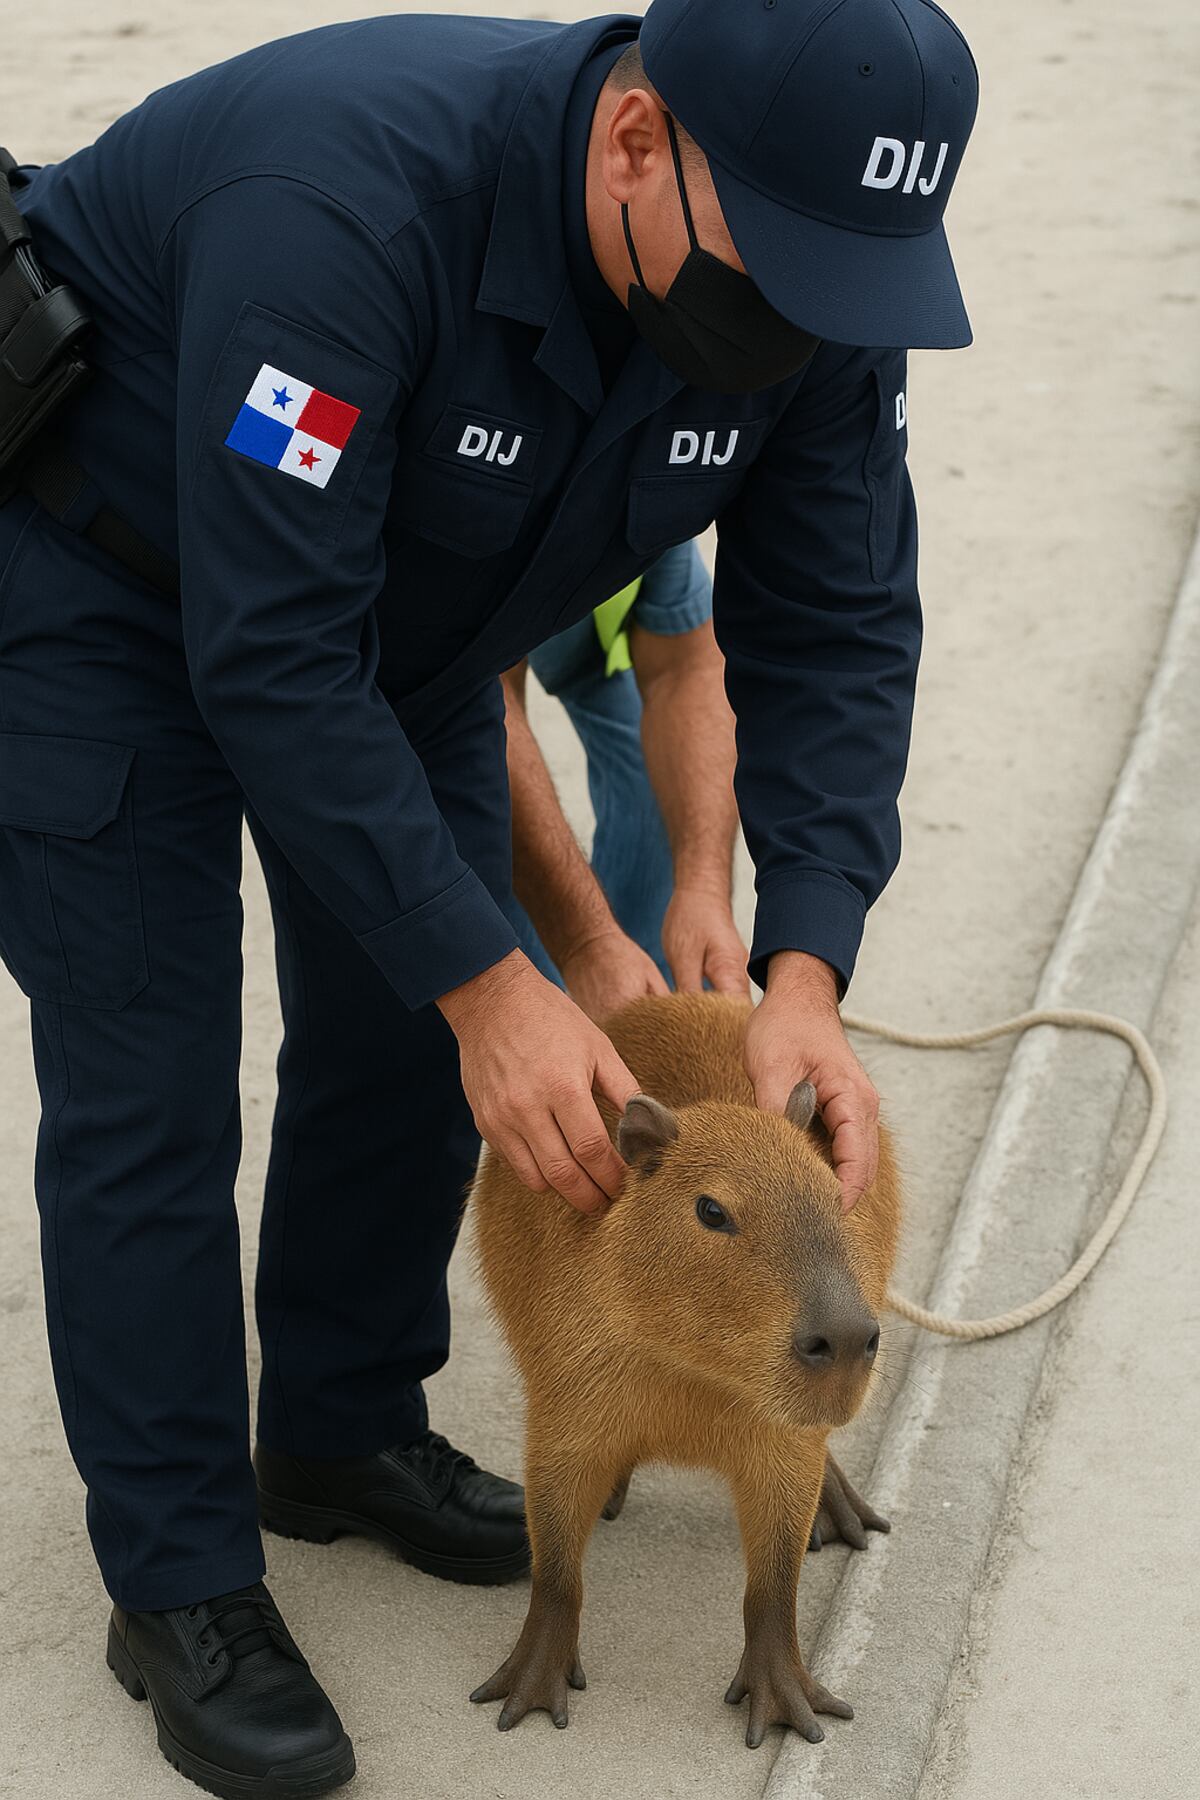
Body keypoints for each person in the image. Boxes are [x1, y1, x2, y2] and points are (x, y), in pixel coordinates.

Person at [0, 1, 977, 1793]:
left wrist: (808, 962)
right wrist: (494, 977)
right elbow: (265, 650)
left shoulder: (809, 282)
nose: (806, 327)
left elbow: (835, 623)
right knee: (150, 1083)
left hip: (401, 622)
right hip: (100, 583)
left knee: (400, 1036)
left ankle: (339, 1425)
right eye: (785, 272)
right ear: (632, 144)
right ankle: (182, 1580)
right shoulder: (347, 215)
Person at [503, 540, 752, 1011]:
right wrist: (584, 944)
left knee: (660, 801)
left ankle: (642, 1003)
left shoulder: (659, 497)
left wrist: (702, 884)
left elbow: (689, 667)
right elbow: (473, 718)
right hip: (456, 645)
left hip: (588, 634)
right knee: (484, 850)